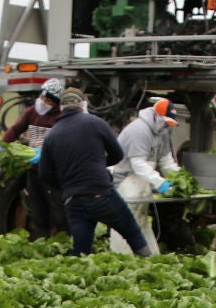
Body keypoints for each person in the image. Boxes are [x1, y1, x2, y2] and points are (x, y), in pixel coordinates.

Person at [38, 89, 152, 257]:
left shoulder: (52, 134)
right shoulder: (95, 122)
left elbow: (45, 174)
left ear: (62, 108)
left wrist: (67, 183)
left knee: (81, 250)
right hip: (100, 194)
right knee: (132, 233)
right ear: (83, 104)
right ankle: (151, 266)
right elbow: (118, 154)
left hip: (73, 200)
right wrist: (98, 165)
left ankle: (76, 280)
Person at [114, 98, 182, 255]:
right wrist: (160, 183)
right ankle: (121, 256)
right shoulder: (139, 130)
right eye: (165, 122)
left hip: (142, 183)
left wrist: (180, 179)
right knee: (125, 221)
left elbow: (166, 163)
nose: (167, 126)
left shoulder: (162, 132)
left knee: (142, 219)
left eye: (169, 124)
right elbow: (137, 164)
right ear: (156, 116)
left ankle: (147, 256)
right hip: (126, 182)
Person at [3, 78, 65, 238]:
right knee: (37, 211)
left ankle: (62, 242)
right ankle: (40, 240)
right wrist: (3, 145)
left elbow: (62, 142)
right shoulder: (32, 111)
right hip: (34, 170)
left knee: (58, 212)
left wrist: (45, 154)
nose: (45, 102)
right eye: (44, 98)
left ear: (56, 103)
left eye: (50, 101)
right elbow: (16, 129)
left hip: (52, 173)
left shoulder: (61, 117)